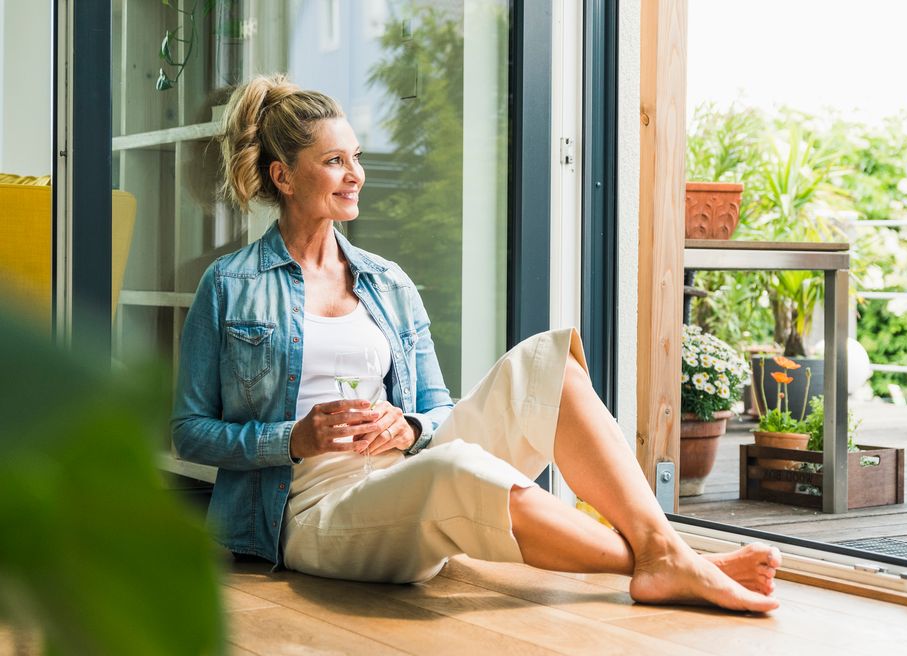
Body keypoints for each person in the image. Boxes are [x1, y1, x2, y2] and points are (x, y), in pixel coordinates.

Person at [171, 75, 780, 613]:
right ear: (283, 176)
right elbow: (190, 430)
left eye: (356, 157)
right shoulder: (229, 286)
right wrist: (293, 439)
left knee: (551, 364)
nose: (357, 174)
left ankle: (665, 554)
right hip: (308, 509)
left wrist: (408, 427)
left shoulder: (385, 281)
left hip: (401, 468)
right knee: (454, 469)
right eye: (335, 161)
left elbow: (437, 404)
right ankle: (666, 563)